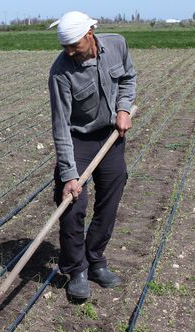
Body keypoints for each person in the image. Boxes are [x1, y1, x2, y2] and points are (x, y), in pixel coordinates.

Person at [48, 11, 136, 299]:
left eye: (74, 45)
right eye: (65, 47)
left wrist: (123, 107)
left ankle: (95, 259)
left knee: (111, 197)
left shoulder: (117, 45)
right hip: (77, 139)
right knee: (72, 203)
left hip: (110, 137)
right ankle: (77, 269)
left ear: (90, 33)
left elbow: (127, 78)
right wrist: (70, 175)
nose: (70, 52)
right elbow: (60, 126)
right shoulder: (60, 72)